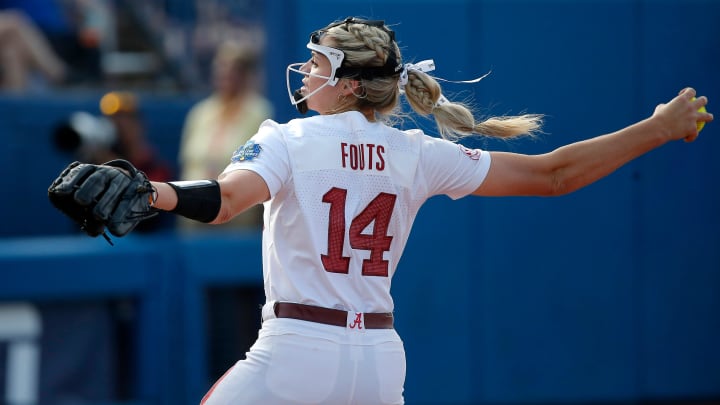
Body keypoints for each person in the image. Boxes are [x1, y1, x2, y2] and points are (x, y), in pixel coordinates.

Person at [60, 17, 712, 405]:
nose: (305, 71)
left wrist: (151, 194)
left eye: (317, 63)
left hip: (296, 349)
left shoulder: (287, 135)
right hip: (377, 357)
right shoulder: (415, 152)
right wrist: (656, 127)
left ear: (346, 82)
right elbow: (556, 175)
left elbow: (224, 198)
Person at [178, 38, 273, 231]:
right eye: (220, 68)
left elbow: (260, 168)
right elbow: (186, 162)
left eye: (233, 69)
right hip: (194, 216)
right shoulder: (200, 113)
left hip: (237, 220)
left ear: (245, 74)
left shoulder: (259, 112)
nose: (224, 74)